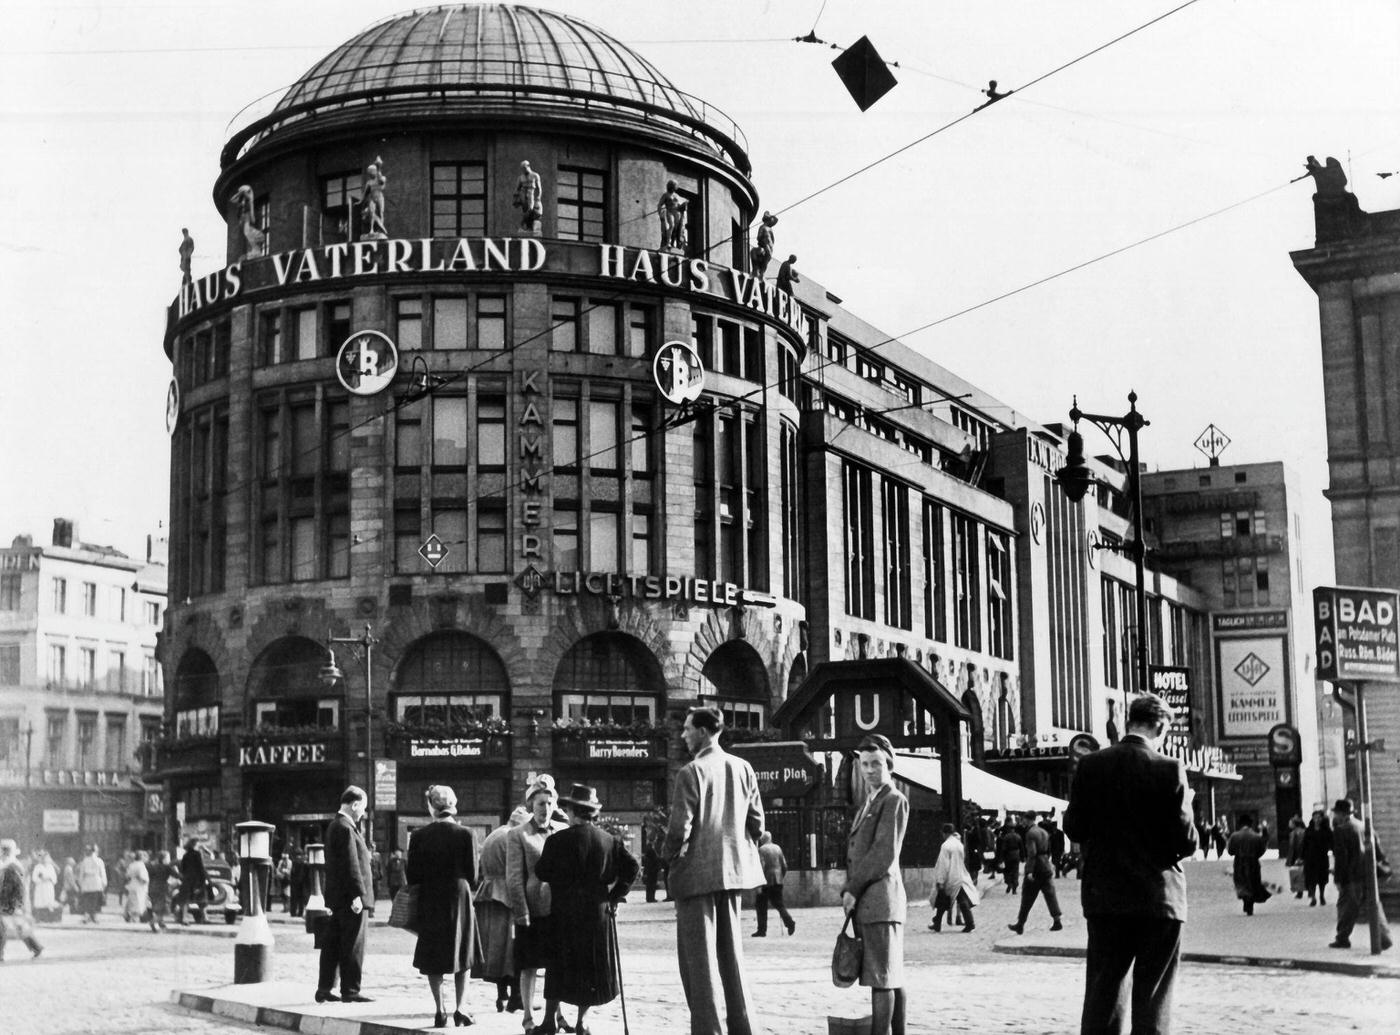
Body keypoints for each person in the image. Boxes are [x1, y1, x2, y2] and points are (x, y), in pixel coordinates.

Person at [1064, 693, 1196, 1035]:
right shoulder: (1169, 769)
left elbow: (1074, 827)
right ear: (1161, 726)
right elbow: (1186, 842)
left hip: (1105, 897)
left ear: (1129, 721)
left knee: (1103, 995)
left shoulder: (1091, 765)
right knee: (1153, 998)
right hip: (1159, 899)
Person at [663, 705, 766, 1035]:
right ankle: (742, 1027)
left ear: (703, 732)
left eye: (688, 728)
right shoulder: (743, 768)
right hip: (733, 874)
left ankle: (708, 1030)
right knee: (731, 956)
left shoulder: (691, 772)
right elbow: (757, 823)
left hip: (696, 877)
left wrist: (669, 856)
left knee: (700, 963)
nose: (683, 734)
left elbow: (681, 828)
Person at [536, 783, 639, 1035]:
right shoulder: (609, 841)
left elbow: (541, 872)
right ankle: (582, 1021)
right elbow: (633, 867)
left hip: (564, 910)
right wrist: (615, 896)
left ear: (572, 812)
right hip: (596, 911)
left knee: (558, 964)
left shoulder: (556, 840)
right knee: (589, 966)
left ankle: (549, 1021)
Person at [841, 734, 909, 1035]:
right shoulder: (871, 800)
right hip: (874, 902)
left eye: (876, 763)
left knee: (880, 979)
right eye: (865, 764)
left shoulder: (893, 799)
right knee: (890, 975)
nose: (869, 769)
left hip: (879, 900)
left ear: (889, 764)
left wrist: (853, 888)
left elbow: (883, 853)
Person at [407, 785, 479, 1028]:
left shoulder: (418, 836)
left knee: (433, 955)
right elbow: (473, 874)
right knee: (462, 954)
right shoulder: (466, 834)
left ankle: (440, 1010)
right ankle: (460, 1008)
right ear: (454, 804)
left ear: (431, 806)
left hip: (430, 897)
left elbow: (412, 876)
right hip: (459, 897)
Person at [507, 774, 567, 1034]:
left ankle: (557, 1015)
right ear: (531, 804)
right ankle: (528, 1018)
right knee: (529, 965)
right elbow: (514, 877)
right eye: (541, 803)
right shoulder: (518, 834)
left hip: (558, 911)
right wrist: (521, 912)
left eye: (550, 803)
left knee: (557, 964)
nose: (546, 809)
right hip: (532, 910)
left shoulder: (563, 832)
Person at [317, 785, 375, 1004]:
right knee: (353, 943)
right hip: (350, 899)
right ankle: (350, 990)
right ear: (355, 804)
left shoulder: (336, 825)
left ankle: (325, 988)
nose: (363, 813)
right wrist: (357, 895)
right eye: (363, 809)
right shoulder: (345, 827)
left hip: (339, 897)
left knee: (332, 943)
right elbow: (351, 864)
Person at [476, 806, 529, 1013]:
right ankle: (516, 996)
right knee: (514, 947)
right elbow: (517, 869)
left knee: (497, 948)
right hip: (508, 895)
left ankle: (502, 995)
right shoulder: (513, 837)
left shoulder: (493, 835)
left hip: (489, 893)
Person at [1330, 798, 1393, 951]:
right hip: (1369, 874)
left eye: (1336, 813)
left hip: (1352, 877)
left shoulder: (1341, 830)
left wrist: (1338, 879)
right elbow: (1378, 852)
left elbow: (1341, 858)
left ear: (1340, 814)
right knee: (1374, 906)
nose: (1335, 816)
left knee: (1346, 908)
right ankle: (1385, 938)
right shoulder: (1365, 826)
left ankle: (1342, 938)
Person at [1009, 815, 1063, 933]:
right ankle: (1057, 920)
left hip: (1037, 868)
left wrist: (1029, 871)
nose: (1022, 822)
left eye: (1023, 819)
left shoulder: (1031, 833)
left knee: (1027, 896)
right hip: (1045, 865)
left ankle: (1020, 923)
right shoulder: (1044, 832)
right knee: (1050, 895)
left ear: (1028, 819)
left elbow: (1032, 853)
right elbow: (1048, 850)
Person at [928, 823, 977, 933]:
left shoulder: (946, 846)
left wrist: (940, 880)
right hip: (960, 875)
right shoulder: (959, 844)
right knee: (958, 900)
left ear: (944, 833)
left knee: (943, 899)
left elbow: (943, 864)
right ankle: (938, 923)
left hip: (950, 876)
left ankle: (969, 923)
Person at [0, 839, 43, 961]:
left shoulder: (12, 865)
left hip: (11, 901)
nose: (3, 852)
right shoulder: (5, 864)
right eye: (3, 850)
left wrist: (18, 903)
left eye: (5, 850)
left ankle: (36, 947)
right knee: (13, 927)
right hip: (5, 901)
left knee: (18, 927)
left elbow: (19, 887)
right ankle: (36, 947)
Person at [753, 832, 795, 937]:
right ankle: (789, 922)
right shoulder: (778, 848)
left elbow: (761, 867)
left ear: (762, 840)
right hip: (778, 880)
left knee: (761, 905)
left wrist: (759, 883)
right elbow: (784, 865)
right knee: (779, 904)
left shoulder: (761, 850)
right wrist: (781, 877)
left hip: (766, 881)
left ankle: (762, 930)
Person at [1227, 816, 1269, 916]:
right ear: (1251, 825)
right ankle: (1250, 904)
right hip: (1253, 863)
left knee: (1242, 883)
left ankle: (1246, 901)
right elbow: (1261, 851)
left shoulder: (1234, 836)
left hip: (1239, 863)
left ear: (1240, 824)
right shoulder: (1256, 836)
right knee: (1252, 883)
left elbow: (1230, 851)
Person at [1301, 808, 1333, 907]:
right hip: (1310, 858)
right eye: (1315, 817)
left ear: (1322, 819)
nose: (1317, 819)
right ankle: (1313, 897)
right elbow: (1304, 844)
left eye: (1319, 817)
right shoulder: (1309, 829)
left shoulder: (1326, 830)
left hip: (1322, 857)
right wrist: (1301, 857)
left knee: (1322, 878)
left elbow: (1331, 841)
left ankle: (1322, 896)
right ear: (1312, 819)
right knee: (1311, 879)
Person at [175, 838, 209, 924]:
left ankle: (184, 918)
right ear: (195, 845)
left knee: (185, 899)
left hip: (187, 879)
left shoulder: (185, 855)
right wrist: (204, 879)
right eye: (198, 844)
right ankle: (205, 917)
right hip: (197, 880)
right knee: (202, 898)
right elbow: (201, 868)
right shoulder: (197, 854)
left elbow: (182, 868)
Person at [77, 844, 107, 924]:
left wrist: (81, 883)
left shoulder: (84, 861)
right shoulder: (99, 861)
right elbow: (102, 873)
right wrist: (104, 883)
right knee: (95, 898)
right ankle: (94, 916)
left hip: (87, 881)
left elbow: (81, 874)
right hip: (96, 881)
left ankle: (87, 916)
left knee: (87, 898)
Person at [657, 180, 689, 251]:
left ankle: (672, 243)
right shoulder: (666, 195)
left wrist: (685, 203)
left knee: (676, 229)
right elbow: (660, 204)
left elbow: (680, 204)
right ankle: (668, 242)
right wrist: (660, 212)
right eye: (673, 186)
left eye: (674, 187)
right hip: (670, 212)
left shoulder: (676, 195)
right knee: (672, 226)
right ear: (670, 186)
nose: (673, 188)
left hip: (677, 213)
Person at [361, 156, 387, 238]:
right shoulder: (369, 182)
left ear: (374, 172)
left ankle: (380, 229)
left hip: (379, 197)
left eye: (371, 172)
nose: (370, 174)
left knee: (381, 212)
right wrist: (360, 201)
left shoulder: (381, 178)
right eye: (369, 173)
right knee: (372, 213)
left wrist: (378, 167)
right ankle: (371, 229)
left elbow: (381, 181)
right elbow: (365, 193)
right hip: (372, 198)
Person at [147, 850, 173, 932]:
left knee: (157, 907)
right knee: (163, 907)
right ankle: (153, 921)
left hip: (153, 888)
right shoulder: (167, 867)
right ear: (164, 859)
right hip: (162, 888)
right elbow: (177, 875)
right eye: (168, 857)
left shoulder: (153, 866)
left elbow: (149, 876)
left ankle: (160, 923)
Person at [514, 160, 543, 233]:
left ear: (528, 166)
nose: (523, 170)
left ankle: (522, 224)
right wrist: (516, 198)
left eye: (524, 168)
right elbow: (517, 188)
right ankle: (527, 227)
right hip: (523, 194)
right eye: (522, 168)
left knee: (530, 209)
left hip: (531, 193)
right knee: (526, 210)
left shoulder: (535, 175)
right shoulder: (521, 178)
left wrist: (538, 197)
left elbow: (539, 188)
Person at [996, 819, 1023, 894]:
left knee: (1007, 871)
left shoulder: (1006, 837)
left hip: (1008, 856)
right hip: (1016, 855)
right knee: (1015, 871)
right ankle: (1014, 888)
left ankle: (1009, 883)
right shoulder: (1018, 836)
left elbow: (1003, 848)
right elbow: (1022, 848)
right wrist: (1023, 857)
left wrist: (1001, 858)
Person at [29, 851, 57, 922]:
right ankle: (40, 918)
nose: (45, 860)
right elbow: (34, 878)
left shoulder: (50, 867)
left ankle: (49, 918)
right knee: (40, 902)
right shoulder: (38, 867)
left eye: (47, 858)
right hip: (41, 886)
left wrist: (50, 878)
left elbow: (54, 878)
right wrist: (41, 879)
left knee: (49, 902)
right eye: (44, 858)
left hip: (48, 886)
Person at [749, 212, 778, 280]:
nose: (772, 221)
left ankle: (762, 273)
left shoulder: (770, 229)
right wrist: (764, 242)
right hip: (764, 246)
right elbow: (759, 237)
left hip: (769, 247)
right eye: (771, 219)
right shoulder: (762, 227)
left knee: (766, 260)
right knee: (763, 257)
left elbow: (773, 239)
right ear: (768, 219)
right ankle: (758, 272)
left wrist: (770, 245)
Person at [125, 851, 151, 926]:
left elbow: (127, 875)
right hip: (139, 886)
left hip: (132, 884)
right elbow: (143, 878)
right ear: (142, 857)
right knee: (139, 902)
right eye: (145, 857)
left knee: (133, 901)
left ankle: (132, 917)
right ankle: (135, 919)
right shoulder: (141, 865)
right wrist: (144, 881)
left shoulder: (132, 865)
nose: (147, 859)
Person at [288, 849, 308, 916]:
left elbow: (292, 873)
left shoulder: (294, 863)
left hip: (296, 883)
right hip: (301, 883)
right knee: (300, 899)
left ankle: (294, 912)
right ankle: (299, 912)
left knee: (295, 898)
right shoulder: (303, 863)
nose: (298, 857)